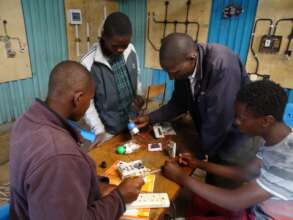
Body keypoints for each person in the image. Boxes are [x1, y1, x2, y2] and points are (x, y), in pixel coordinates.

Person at [9, 61, 144, 220]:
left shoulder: (28, 120)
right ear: (78, 98)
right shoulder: (59, 156)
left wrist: (92, 185)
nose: (89, 105)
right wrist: (119, 198)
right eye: (90, 99)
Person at [162, 80, 293, 219]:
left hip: (261, 216)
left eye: (241, 118)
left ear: (266, 121)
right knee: (198, 201)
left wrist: (180, 177)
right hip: (254, 207)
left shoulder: (288, 161)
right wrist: (197, 163)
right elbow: (246, 173)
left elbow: (235, 201)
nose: (236, 122)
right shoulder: (277, 141)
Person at [135, 33, 257, 165]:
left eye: (174, 72)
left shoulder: (221, 65)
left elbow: (220, 119)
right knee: (210, 168)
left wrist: (196, 153)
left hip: (236, 139)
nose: (171, 77)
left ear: (191, 58)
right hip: (214, 134)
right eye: (167, 72)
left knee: (222, 179)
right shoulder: (183, 69)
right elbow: (179, 103)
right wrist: (150, 118)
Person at [81, 12, 144, 142]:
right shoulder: (88, 63)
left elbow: (136, 75)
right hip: (108, 130)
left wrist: (139, 94)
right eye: (115, 45)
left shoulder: (130, 49)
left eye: (124, 45)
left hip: (132, 121)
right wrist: (99, 130)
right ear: (103, 36)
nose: (121, 50)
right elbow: (87, 103)